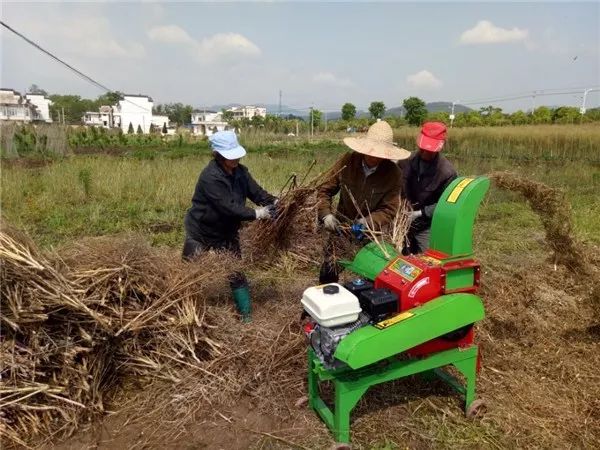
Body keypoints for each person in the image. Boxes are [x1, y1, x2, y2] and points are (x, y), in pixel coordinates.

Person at [183, 130, 276, 322]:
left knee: (235, 270)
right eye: (229, 156)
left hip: (227, 231)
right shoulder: (210, 177)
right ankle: (185, 310)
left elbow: (257, 193)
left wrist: (275, 201)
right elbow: (228, 207)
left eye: (236, 155)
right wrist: (257, 214)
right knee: (189, 273)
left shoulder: (241, 172)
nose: (235, 160)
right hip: (201, 230)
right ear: (218, 155)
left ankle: (246, 316)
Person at [317, 120, 410, 283]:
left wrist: (367, 222)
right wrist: (326, 216)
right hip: (341, 228)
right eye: (371, 151)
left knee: (371, 277)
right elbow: (324, 190)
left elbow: (389, 209)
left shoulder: (393, 174)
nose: (374, 156)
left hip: (371, 234)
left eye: (379, 153)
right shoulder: (348, 161)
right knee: (329, 270)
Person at [399, 121, 457, 254]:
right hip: (402, 219)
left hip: (426, 223)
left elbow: (447, 203)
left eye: (429, 150)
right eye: (423, 148)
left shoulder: (447, 172)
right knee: (397, 258)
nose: (425, 152)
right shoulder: (406, 160)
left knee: (426, 259)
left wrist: (420, 213)